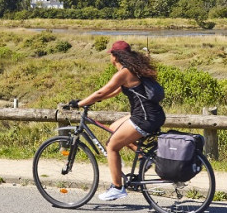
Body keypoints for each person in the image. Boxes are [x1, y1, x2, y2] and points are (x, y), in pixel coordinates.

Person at [66, 39, 165, 202]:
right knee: (114, 128)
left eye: (111, 54)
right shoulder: (133, 70)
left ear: (115, 56)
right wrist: (96, 100)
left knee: (111, 145)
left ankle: (117, 188)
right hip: (151, 114)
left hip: (145, 118)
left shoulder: (124, 73)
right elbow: (115, 91)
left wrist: (80, 103)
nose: (110, 57)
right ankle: (143, 159)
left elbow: (101, 92)